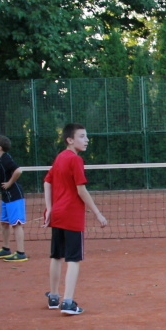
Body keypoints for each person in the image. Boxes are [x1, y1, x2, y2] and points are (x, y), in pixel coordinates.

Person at [43, 123, 108, 315]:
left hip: (58, 214)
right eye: (82, 136)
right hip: (71, 215)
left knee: (56, 256)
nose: (86, 140)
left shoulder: (60, 157)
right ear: (70, 140)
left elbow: (47, 181)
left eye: (86, 136)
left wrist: (50, 208)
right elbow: (81, 190)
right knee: (73, 259)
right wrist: (97, 213)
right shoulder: (75, 160)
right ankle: (68, 302)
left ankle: (54, 297)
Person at [0, 134, 28, 262]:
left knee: (16, 224)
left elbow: (18, 170)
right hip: (6, 197)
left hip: (14, 196)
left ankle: (21, 253)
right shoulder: (0, 159)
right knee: (4, 223)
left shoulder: (6, 158)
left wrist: (9, 183)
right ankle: (6, 249)